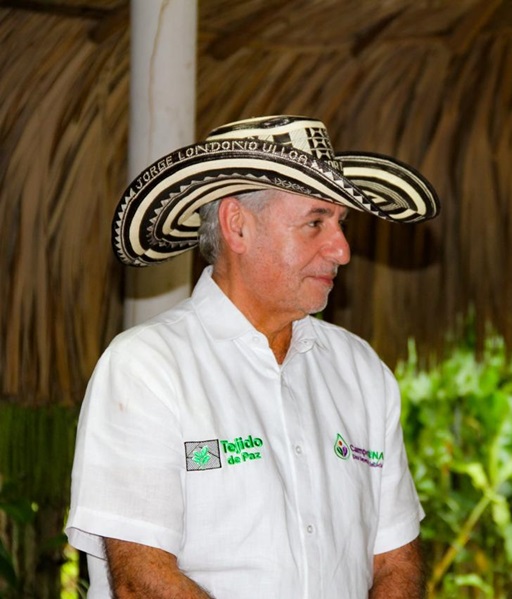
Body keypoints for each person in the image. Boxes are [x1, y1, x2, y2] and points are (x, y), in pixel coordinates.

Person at [66, 115, 440, 598]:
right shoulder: (147, 366)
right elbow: (142, 580)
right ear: (237, 226)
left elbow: (395, 562)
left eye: (341, 223)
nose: (342, 250)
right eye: (315, 223)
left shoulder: (362, 371)